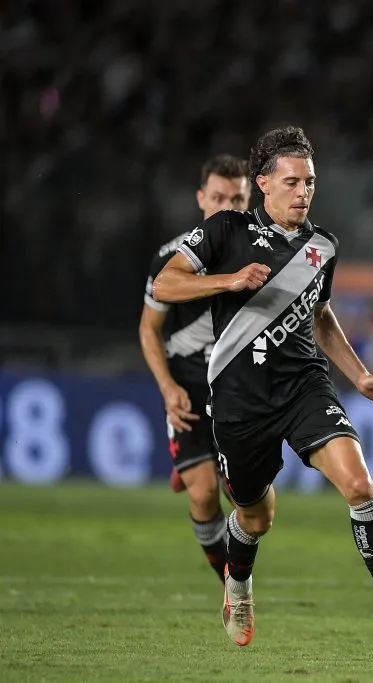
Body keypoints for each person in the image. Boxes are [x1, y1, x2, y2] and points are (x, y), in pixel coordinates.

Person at [152, 126, 373, 648]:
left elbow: (321, 316)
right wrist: (227, 281)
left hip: (302, 385)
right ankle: (238, 586)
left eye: (309, 182)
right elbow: (165, 283)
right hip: (240, 398)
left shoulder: (323, 245)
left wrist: (360, 376)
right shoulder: (225, 230)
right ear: (263, 183)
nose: (303, 192)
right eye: (292, 182)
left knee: (360, 486)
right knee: (256, 517)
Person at [139, 154, 251, 584]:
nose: (227, 208)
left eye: (237, 199)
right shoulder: (172, 258)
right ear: (201, 198)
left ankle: (200, 462)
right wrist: (167, 387)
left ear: (249, 199)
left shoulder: (266, 253)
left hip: (239, 388)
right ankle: (231, 586)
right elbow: (149, 329)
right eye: (218, 198)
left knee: (248, 501)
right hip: (188, 384)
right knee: (204, 495)